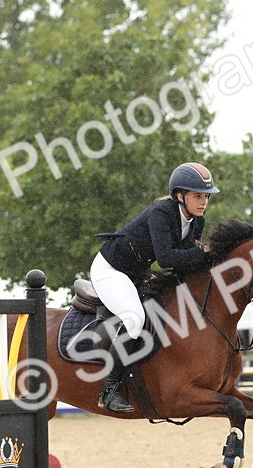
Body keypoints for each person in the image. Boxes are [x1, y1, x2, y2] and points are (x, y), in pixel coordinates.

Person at [90, 162, 220, 412]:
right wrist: (203, 252)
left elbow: (186, 262)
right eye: (197, 196)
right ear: (180, 196)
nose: (203, 202)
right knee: (134, 317)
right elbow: (168, 259)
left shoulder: (196, 222)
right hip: (111, 270)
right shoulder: (162, 213)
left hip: (137, 273)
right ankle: (108, 390)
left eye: (206, 196)